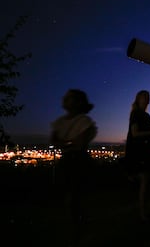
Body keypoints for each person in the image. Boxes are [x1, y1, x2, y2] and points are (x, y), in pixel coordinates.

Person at [50, 89, 97, 243]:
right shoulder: (62, 122)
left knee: (76, 197)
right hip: (70, 161)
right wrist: (69, 143)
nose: (64, 99)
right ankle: (78, 228)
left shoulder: (83, 121)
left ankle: (79, 229)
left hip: (78, 162)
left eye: (69, 98)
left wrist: (64, 143)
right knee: (71, 197)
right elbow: (58, 142)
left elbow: (78, 143)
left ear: (77, 102)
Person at [125, 90, 150, 221]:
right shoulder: (137, 114)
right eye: (144, 97)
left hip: (146, 152)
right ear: (138, 99)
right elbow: (135, 133)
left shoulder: (145, 115)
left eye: (148, 97)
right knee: (144, 182)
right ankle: (143, 213)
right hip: (140, 153)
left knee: (146, 182)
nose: (146, 99)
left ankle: (145, 210)